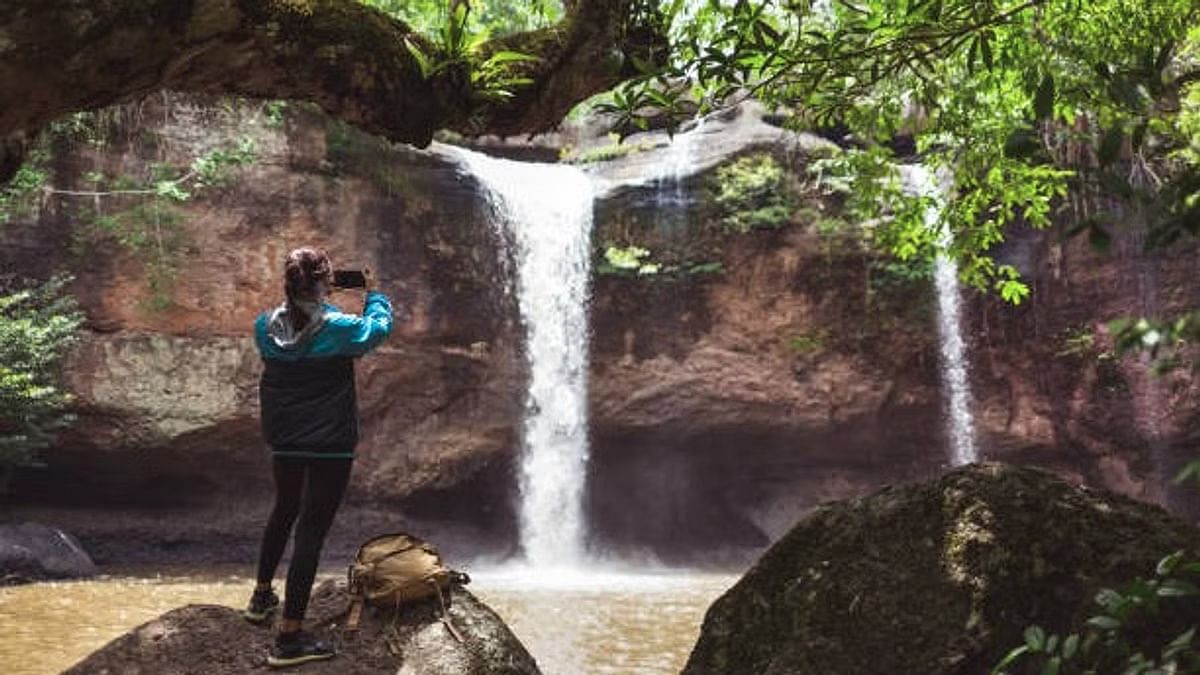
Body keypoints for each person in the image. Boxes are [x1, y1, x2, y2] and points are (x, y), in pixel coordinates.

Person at [243, 246, 393, 668]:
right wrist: (374, 293)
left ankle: (260, 598)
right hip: (330, 445)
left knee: (284, 509)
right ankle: (289, 639)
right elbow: (378, 329)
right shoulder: (341, 328)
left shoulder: (263, 326)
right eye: (329, 279)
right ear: (326, 282)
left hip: (286, 439)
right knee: (310, 531)